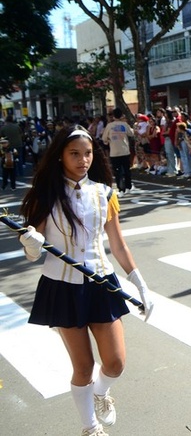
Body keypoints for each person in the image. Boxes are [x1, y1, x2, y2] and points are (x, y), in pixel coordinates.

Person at [18, 125, 154, 436]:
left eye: (88, 153)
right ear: (60, 156)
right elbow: (32, 253)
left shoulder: (104, 193)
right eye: (75, 154)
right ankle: (90, 427)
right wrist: (31, 244)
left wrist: (140, 284)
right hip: (62, 286)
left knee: (116, 362)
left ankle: (101, 393)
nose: (83, 160)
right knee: (83, 367)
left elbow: (118, 244)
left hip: (102, 283)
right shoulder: (46, 194)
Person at [102, 108, 134, 197]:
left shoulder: (109, 126)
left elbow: (104, 138)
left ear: (113, 116)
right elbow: (131, 133)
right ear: (121, 115)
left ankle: (121, 189)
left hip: (114, 152)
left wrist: (108, 140)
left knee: (117, 171)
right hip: (125, 150)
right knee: (127, 170)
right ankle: (128, 187)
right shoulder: (125, 124)